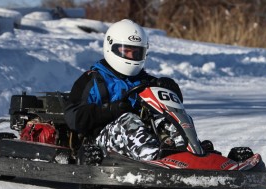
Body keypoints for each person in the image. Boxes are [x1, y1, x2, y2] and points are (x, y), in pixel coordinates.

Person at [64, 19, 183, 161]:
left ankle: (187, 152)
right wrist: (109, 110)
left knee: (169, 119)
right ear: (111, 47)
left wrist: (172, 89)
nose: (131, 57)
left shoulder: (146, 81)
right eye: (126, 51)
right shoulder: (92, 80)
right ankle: (155, 160)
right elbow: (74, 118)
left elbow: (172, 108)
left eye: (136, 52)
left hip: (141, 137)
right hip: (99, 140)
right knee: (128, 120)